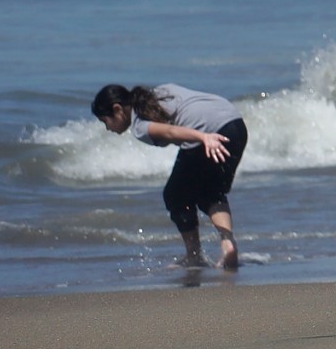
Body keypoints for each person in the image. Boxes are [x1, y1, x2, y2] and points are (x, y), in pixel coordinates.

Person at [91, 83, 249, 270]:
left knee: (174, 195)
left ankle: (194, 256)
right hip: (236, 125)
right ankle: (227, 243)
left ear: (118, 109)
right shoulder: (161, 92)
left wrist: (204, 137)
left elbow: (171, 132)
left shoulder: (139, 127)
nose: (108, 129)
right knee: (212, 192)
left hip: (210, 136)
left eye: (105, 121)